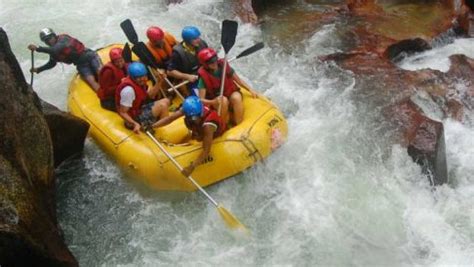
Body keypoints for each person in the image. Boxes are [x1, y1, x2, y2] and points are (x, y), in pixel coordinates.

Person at [152, 96, 226, 176]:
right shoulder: (189, 111)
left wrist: (192, 167)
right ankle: (196, 135)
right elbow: (170, 119)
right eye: (189, 118)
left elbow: (206, 151)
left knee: (200, 134)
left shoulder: (208, 126)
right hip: (199, 129)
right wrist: (153, 126)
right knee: (191, 124)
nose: (191, 120)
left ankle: (197, 136)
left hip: (214, 134)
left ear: (200, 114)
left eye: (193, 118)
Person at [197, 48, 258, 125]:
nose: (214, 63)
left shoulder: (223, 65)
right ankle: (223, 125)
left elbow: (238, 80)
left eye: (215, 60)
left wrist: (250, 89)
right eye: (210, 62)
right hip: (216, 101)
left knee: (237, 97)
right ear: (205, 64)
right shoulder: (203, 77)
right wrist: (213, 102)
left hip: (229, 93)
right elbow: (200, 100)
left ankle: (239, 123)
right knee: (223, 100)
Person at [27, 28, 102, 91]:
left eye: (49, 38)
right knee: (92, 82)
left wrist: (37, 48)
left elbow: (55, 49)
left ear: (54, 36)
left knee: (101, 73)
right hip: (81, 65)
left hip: (90, 56)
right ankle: (104, 96)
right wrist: (38, 69)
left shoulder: (63, 39)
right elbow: (51, 63)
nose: (48, 41)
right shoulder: (53, 51)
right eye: (46, 41)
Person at [116, 62, 170, 134]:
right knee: (162, 106)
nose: (142, 79)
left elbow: (150, 95)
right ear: (132, 77)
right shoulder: (128, 90)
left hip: (139, 109)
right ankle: (159, 132)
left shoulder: (140, 83)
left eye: (143, 76)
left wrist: (160, 81)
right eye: (138, 78)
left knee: (166, 101)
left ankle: (159, 126)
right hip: (134, 119)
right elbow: (122, 112)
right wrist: (135, 123)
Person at [167, 26, 208, 96]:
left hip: (205, 74)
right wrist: (187, 76)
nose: (198, 40)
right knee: (199, 97)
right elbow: (170, 72)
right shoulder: (178, 53)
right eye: (195, 39)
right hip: (192, 80)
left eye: (198, 37)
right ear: (187, 40)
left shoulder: (202, 44)